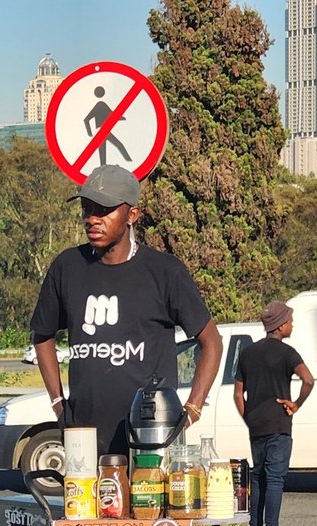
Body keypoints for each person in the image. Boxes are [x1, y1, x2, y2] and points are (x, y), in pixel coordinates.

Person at [31, 164, 222, 456]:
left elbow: (212, 342)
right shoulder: (67, 267)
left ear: (132, 215)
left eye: (104, 210)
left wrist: (191, 410)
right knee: (86, 504)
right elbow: (42, 335)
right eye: (86, 209)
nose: (92, 219)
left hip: (152, 436)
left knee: (149, 503)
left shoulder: (164, 271)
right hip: (83, 436)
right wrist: (58, 404)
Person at [234, 300, 314, 526]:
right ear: (280, 326)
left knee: (258, 476)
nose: (292, 325)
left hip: (256, 423)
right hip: (279, 423)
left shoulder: (248, 353)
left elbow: (238, 393)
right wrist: (296, 404)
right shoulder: (288, 353)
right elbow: (308, 380)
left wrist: (249, 417)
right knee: (275, 478)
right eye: (290, 321)